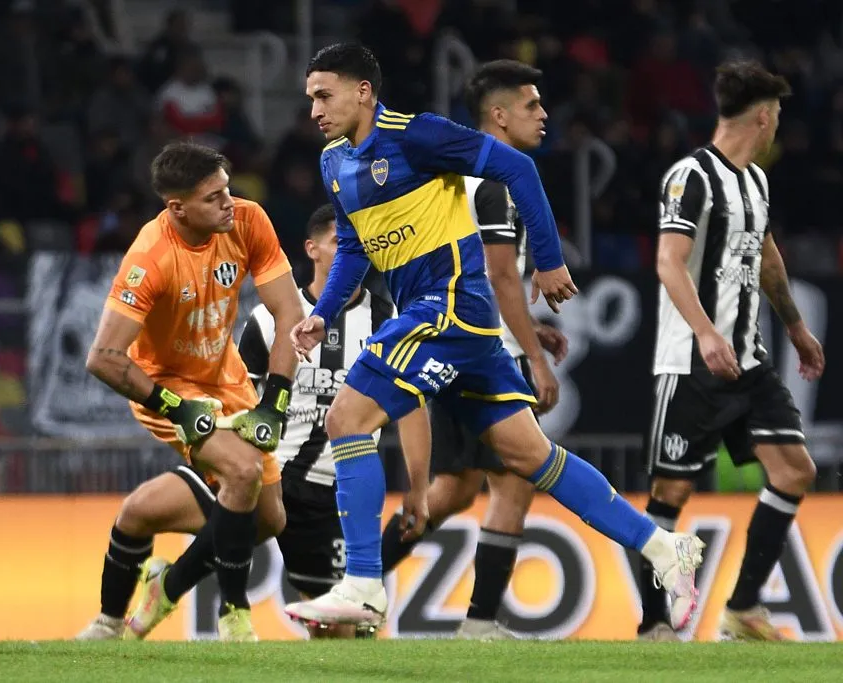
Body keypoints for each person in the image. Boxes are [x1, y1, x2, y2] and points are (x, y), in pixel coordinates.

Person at [285, 43, 704, 631]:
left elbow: (519, 168)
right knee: (530, 455)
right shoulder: (335, 162)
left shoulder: (419, 135)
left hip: (450, 305)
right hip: (466, 329)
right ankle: (663, 547)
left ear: (363, 91)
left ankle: (361, 586)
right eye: (310, 99)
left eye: (323, 96)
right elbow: (354, 248)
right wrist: (324, 312)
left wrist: (551, 260)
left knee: (347, 418)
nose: (314, 111)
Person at [114, 205, 430, 641]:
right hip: (268, 474)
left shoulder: (389, 322)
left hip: (329, 496)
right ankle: (129, 611)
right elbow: (236, 397)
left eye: (361, 245)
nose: (353, 253)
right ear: (312, 249)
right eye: (341, 243)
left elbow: (410, 406)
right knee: (141, 509)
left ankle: (166, 586)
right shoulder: (272, 319)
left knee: (346, 638)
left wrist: (417, 486)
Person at [76, 142, 303, 642]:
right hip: (166, 386)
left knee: (268, 518)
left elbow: (289, 313)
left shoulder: (247, 220)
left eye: (228, 189)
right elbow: (103, 358)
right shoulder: (150, 258)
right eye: (213, 197)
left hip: (228, 377)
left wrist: (275, 402)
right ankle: (233, 616)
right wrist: (173, 407)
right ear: (176, 207)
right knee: (241, 471)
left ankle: (165, 583)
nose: (229, 203)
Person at [379, 60, 569, 640]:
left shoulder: (468, 178)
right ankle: (474, 620)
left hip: (464, 341)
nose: (543, 115)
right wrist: (533, 356)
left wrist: (533, 332)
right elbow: (498, 273)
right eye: (532, 105)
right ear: (499, 115)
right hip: (486, 351)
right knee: (517, 478)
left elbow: (489, 277)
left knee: (458, 489)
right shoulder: (493, 181)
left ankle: (358, 580)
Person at [637, 60, 824, 642]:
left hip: (749, 359)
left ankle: (743, 609)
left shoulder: (757, 183)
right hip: (692, 360)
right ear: (763, 117)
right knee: (670, 494)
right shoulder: (690, 176)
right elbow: (668, 262)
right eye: (777, 119)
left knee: (795, 470)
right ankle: (653, 623)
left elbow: (766, 259)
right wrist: (705, 332)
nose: (777, 131)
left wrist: (794, 326)